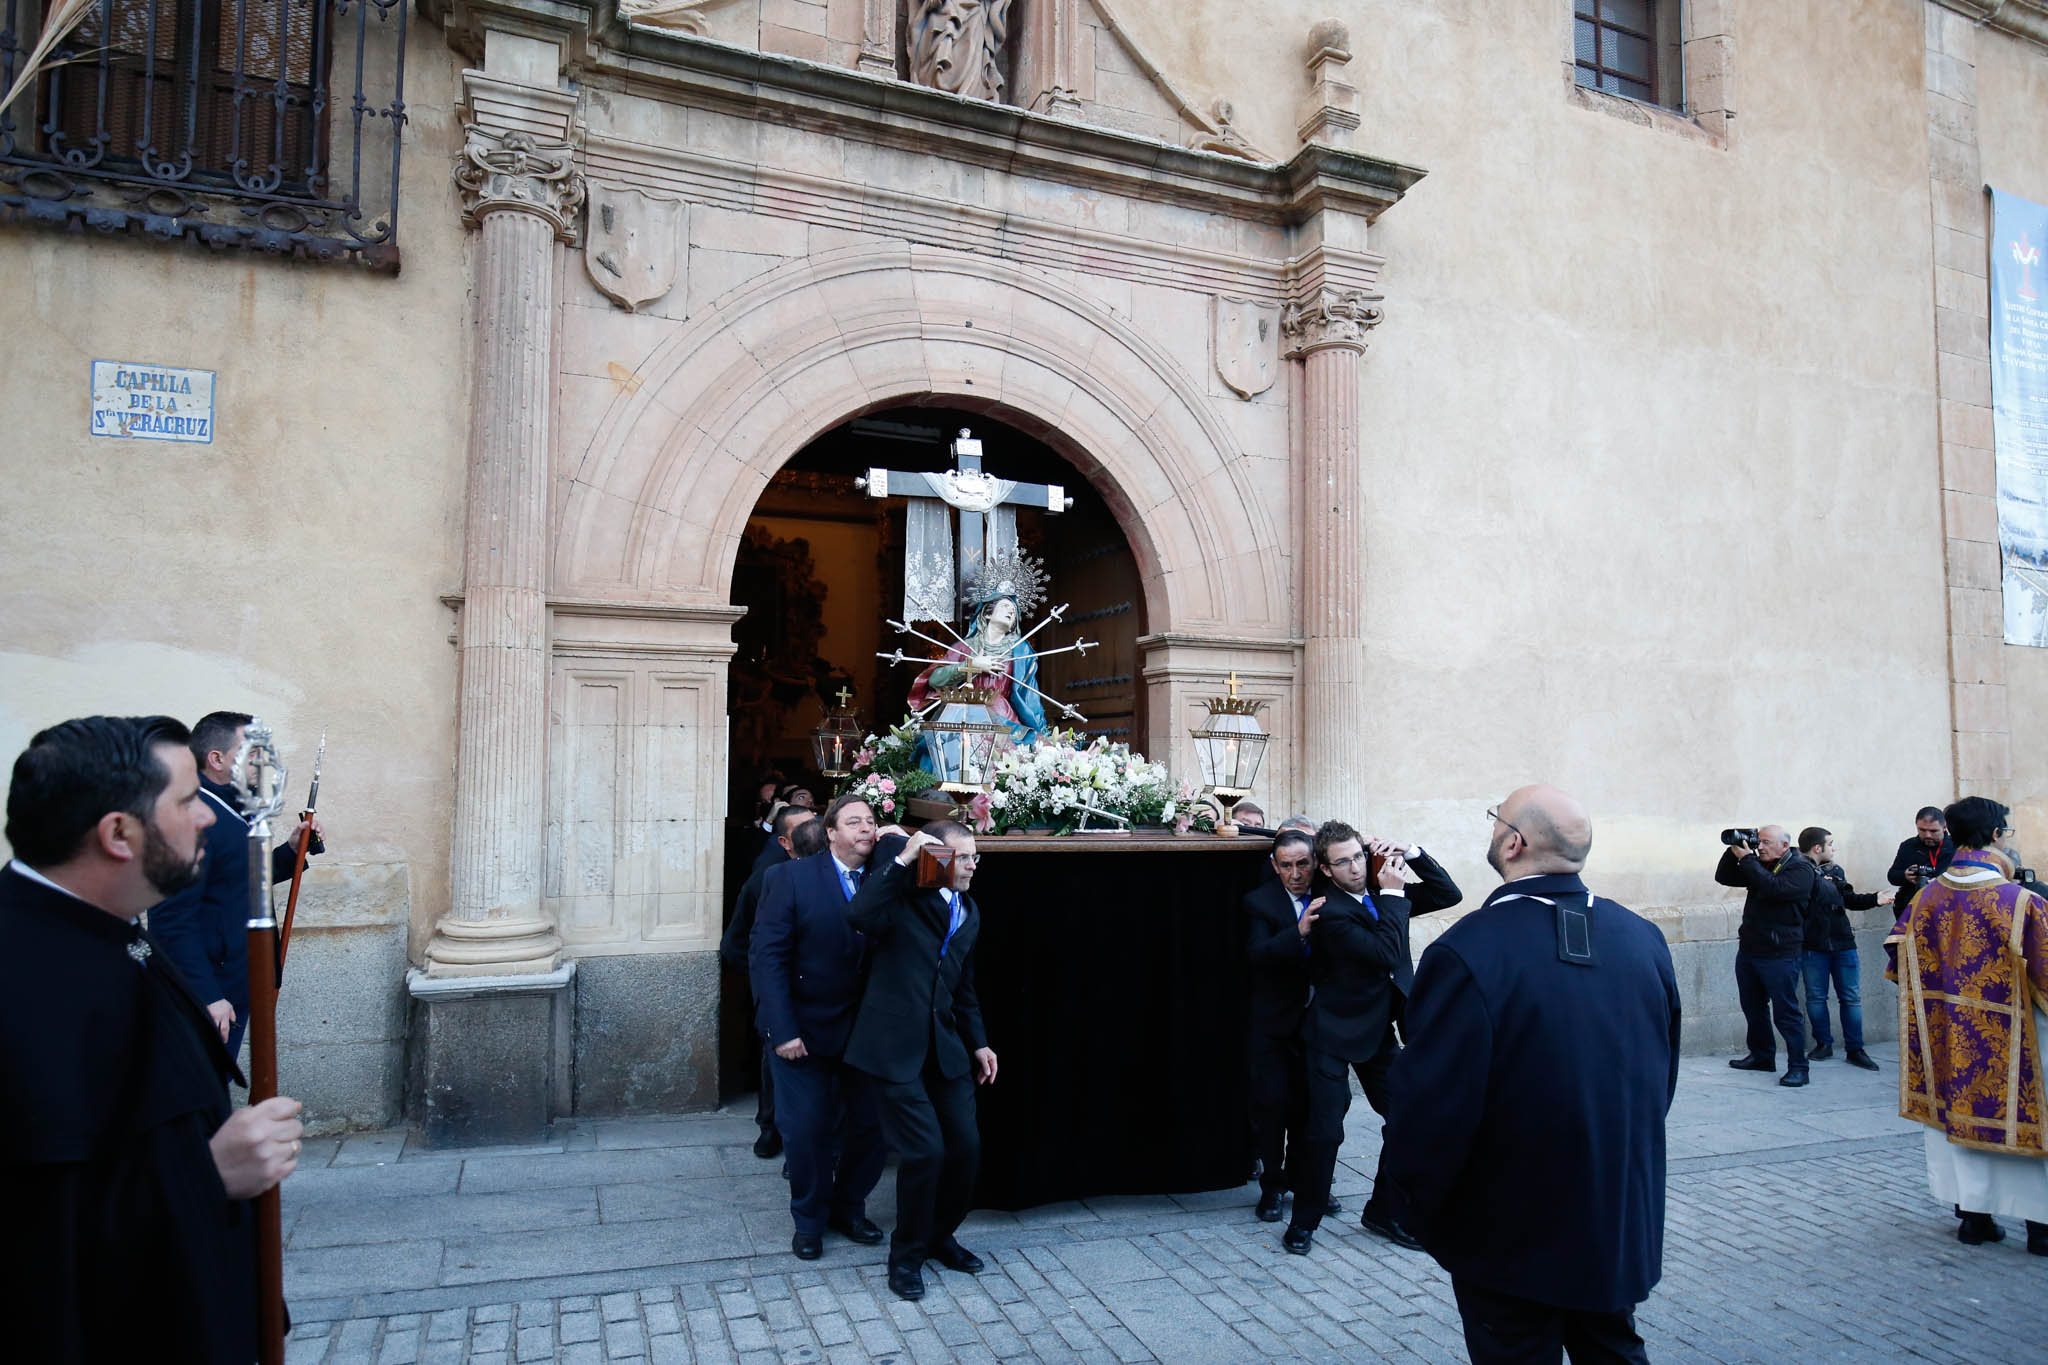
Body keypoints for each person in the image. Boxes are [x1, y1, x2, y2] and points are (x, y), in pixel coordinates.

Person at [3, 715, 306, 1363]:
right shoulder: (19, 975)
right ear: (118, 832)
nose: (205, 818)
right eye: (187, 800)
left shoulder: (112, 931)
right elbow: (40, 1243)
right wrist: (210, 1174)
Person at [1381, 786, 1679, 1365]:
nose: (1493, 829)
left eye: (1497, 820)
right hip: (1613, 1213)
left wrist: (1416, 1203)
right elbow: (1659, 1081)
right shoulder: (1642, 937)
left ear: (1513, 843)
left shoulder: (1468, 949)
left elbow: (1432, 1106)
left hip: (1508, 1229)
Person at [1885, 795, 2048, 1256]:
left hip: (1947, 1042)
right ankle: (2041, 1230)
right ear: (1996, 836)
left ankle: (1974, 1220)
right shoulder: (2021, 902)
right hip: (2019, 1045)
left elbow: (1895, 959)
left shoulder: (1925, 898)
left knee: (1958, 1121)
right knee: (2028, 1121)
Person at [844, 820, 998, 1302]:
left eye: (976, 855)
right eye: (965, 856)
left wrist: (979, 1042)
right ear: (940, 859)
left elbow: (963, 986)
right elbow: (860, 915)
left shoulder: (969, 911)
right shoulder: (905, 899)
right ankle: (905, 1256)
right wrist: (906, 857)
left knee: (965, 1150)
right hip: (892, 1048)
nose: (974, 863)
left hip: (945, 1047)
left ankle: (940, 1237)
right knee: (924, 1151)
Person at [749, 794, 894, 1261]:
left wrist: (899, 841)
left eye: (872, 821)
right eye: (854, 822)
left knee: (870, 1130)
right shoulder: (788, 877)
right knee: (807, 1132)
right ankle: (809, 1220)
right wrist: (781, 1029)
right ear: (830, 832)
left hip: (868, 1032)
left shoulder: (887, 877)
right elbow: (767, 957)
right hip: (804, 1031)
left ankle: (848, 1209)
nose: (866, 829)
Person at [146, 711, 324, 1056]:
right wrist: (207, 995)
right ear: (217, 759)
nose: (263, 764)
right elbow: (170, 918)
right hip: (213, 987)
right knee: (202, 1092)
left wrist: (290, 851)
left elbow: (238, 877)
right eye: (253, 755)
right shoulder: (193, 816)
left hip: (238, 980)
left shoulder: (234, 808)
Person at [1282, 820, 1406, 1255]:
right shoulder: (1329, 910)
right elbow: (1386, 954)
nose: (1355, 867)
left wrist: (1411, 852)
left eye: (1358, 856)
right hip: (1331, 1033)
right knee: (1325, 1133)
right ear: (1327, 870)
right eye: (1343, 862)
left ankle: (1384, 1211)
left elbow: (1448, 894)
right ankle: (1303, 1223)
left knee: (1409, 1118)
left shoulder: (1378, 892)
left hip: (1377, 1032)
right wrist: (1392, 895)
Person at [721, 809, 824, 1159]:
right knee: (776, 1063)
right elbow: (738, 943)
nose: (813, 833)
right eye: (803, 830)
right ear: (785, 843)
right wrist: (765, 986)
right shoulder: (768, 878)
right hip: (780, 990)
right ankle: (771, 1129)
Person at [1242, 827, 1316, 1223]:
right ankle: (1272, 1186)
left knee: (1314, 1112)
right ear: (1274, 866)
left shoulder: (1329, 895)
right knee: (1271, 1109)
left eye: (1302, 863)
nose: (1295, 874)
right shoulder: (1260, 902)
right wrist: (1298, 933)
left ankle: (1309, 1183)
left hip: (1318, 1026)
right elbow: (1258, 954)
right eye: (1286, 866)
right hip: (1272, 1026)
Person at [1715, 825, 1815, 1086]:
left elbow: (1775, 889)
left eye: (1767, 842)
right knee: (1753, 1007)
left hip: (1780, 953)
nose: (1761, 846)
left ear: (1784, 845)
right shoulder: (1759, 865)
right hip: (1750, 949)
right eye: (1758, 841)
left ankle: (1798, 1067)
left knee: (1786, 1012)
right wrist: (1734, 850)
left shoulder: (1800, 868)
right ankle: (1761, 1056)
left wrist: (1748, 859)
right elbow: (1724, 877)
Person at [1796, 826, 1891, 1071]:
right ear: (1818, 848)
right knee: (1816, 997)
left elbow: (1847, 899)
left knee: (1850, 997)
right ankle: (1823, 1044)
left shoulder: (1834, 870)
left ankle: (1855, 1049)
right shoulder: (1797, 870)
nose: (1834, 848)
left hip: (1842, 943)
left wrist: (1874, 899)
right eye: (1831, 844)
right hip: (1812, 944)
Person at [1887, 805, 1956, 911]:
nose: (1927, 835)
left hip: (1945, 907)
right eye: (1922, 830)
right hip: (1911, 907)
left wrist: (1941, 881)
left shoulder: (1956, 846)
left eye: (1933, 831)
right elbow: (1892, 876)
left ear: (1944, 827)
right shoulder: (1908, 846)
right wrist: (1905, 876)